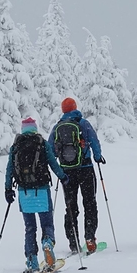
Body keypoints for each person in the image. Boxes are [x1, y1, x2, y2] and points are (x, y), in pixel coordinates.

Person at [5, 117, 67, 273]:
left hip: (24, 193)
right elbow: (53, 163)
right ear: (35, 128)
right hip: (42, 191)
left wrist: (7, 189)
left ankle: (32, 259)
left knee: (30, 227)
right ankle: (47, 242)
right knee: (47, 224)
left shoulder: (16, 146)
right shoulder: (42, 144)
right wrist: (63, 177)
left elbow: (9, 169)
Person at [48, 97, 104, 255]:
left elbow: (50, 149)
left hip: (67, 172)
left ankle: (73, 242)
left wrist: (59, 165)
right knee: (90, 204)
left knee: (71, 207)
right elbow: (94, 141)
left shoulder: (58, 127)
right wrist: (98, 157)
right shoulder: (83, 123)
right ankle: (90, 238)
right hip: (85, 168)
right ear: (75, 107)